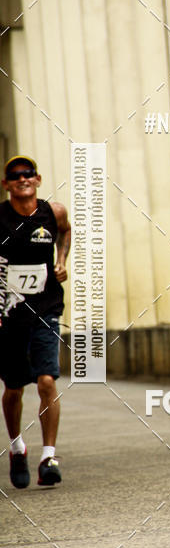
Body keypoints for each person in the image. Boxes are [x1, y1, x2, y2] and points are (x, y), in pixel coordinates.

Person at [0, 155, 71, 488]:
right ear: (6, 184)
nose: (22, 179)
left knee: (46, 381)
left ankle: (48, 457)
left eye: (28, 173)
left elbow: (65, 232)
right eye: (15, 175)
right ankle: (17, 448)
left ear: (38, 179)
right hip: (9, 314)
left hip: (46, 307)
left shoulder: (53, 213)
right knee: (14, 388)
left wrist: (61, 261)